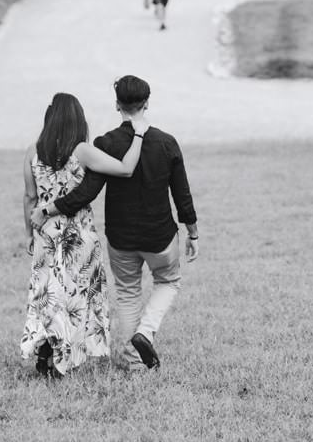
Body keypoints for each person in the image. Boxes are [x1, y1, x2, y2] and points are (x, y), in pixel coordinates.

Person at [35, 74, 199, 371]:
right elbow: (181, 192)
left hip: (121, 238)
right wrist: (192, 230)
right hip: (160, 236)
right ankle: (144, 333)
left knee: (127, 291)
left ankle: (134, 360)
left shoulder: (105, 143)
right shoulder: (166, 142)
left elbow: (86, 193)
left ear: (117, 105)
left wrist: (50, 208)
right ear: (146, 103)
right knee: (169, 281)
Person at [21, 92, 149, 377]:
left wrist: (29, 233)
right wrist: (138, 136)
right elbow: (126, 169)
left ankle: (48, 349)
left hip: (46, 235)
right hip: (79, 236)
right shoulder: (82, 151)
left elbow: (30, 198)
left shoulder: (32, 151)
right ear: (77, 119)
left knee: (47, 295)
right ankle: (62, 358)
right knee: (76, 298)